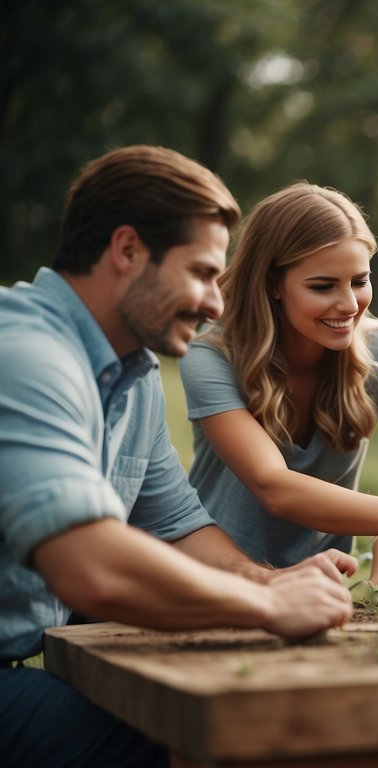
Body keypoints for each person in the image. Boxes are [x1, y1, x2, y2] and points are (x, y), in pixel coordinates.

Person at [0, 146, 356, 767]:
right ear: (128, 250)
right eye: (199, 273)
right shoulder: (28, 357)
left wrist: (268, 578)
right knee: (193, 739)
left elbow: (175, 523)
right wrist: (268, 607)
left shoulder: (131, 374)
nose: (217, 304)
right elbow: (92, 570)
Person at [181, 183, 378, 592]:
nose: (350, 304)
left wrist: (376, 590)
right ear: (273, 283)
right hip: (219, 580)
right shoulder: (211, 357)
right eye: (323, 286)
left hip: (327, 585)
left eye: (359, 281)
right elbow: (273, 487)